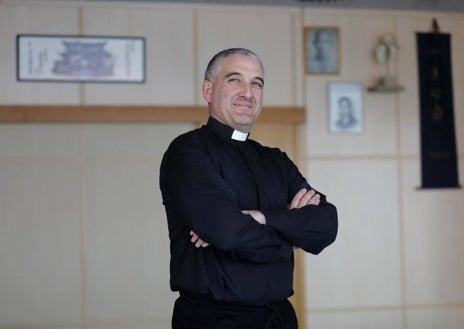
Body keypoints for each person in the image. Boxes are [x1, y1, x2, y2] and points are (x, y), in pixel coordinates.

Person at [159, 48, 338, 329]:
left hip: (279, 318)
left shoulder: (276, 160)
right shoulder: (188, 152)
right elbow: (229, 233)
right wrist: (290, 235)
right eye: (234, 80)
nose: (248, 92)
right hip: (214, 319)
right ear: (208, 90)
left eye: (256, 83)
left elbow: (326, 226)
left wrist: (264, 218)